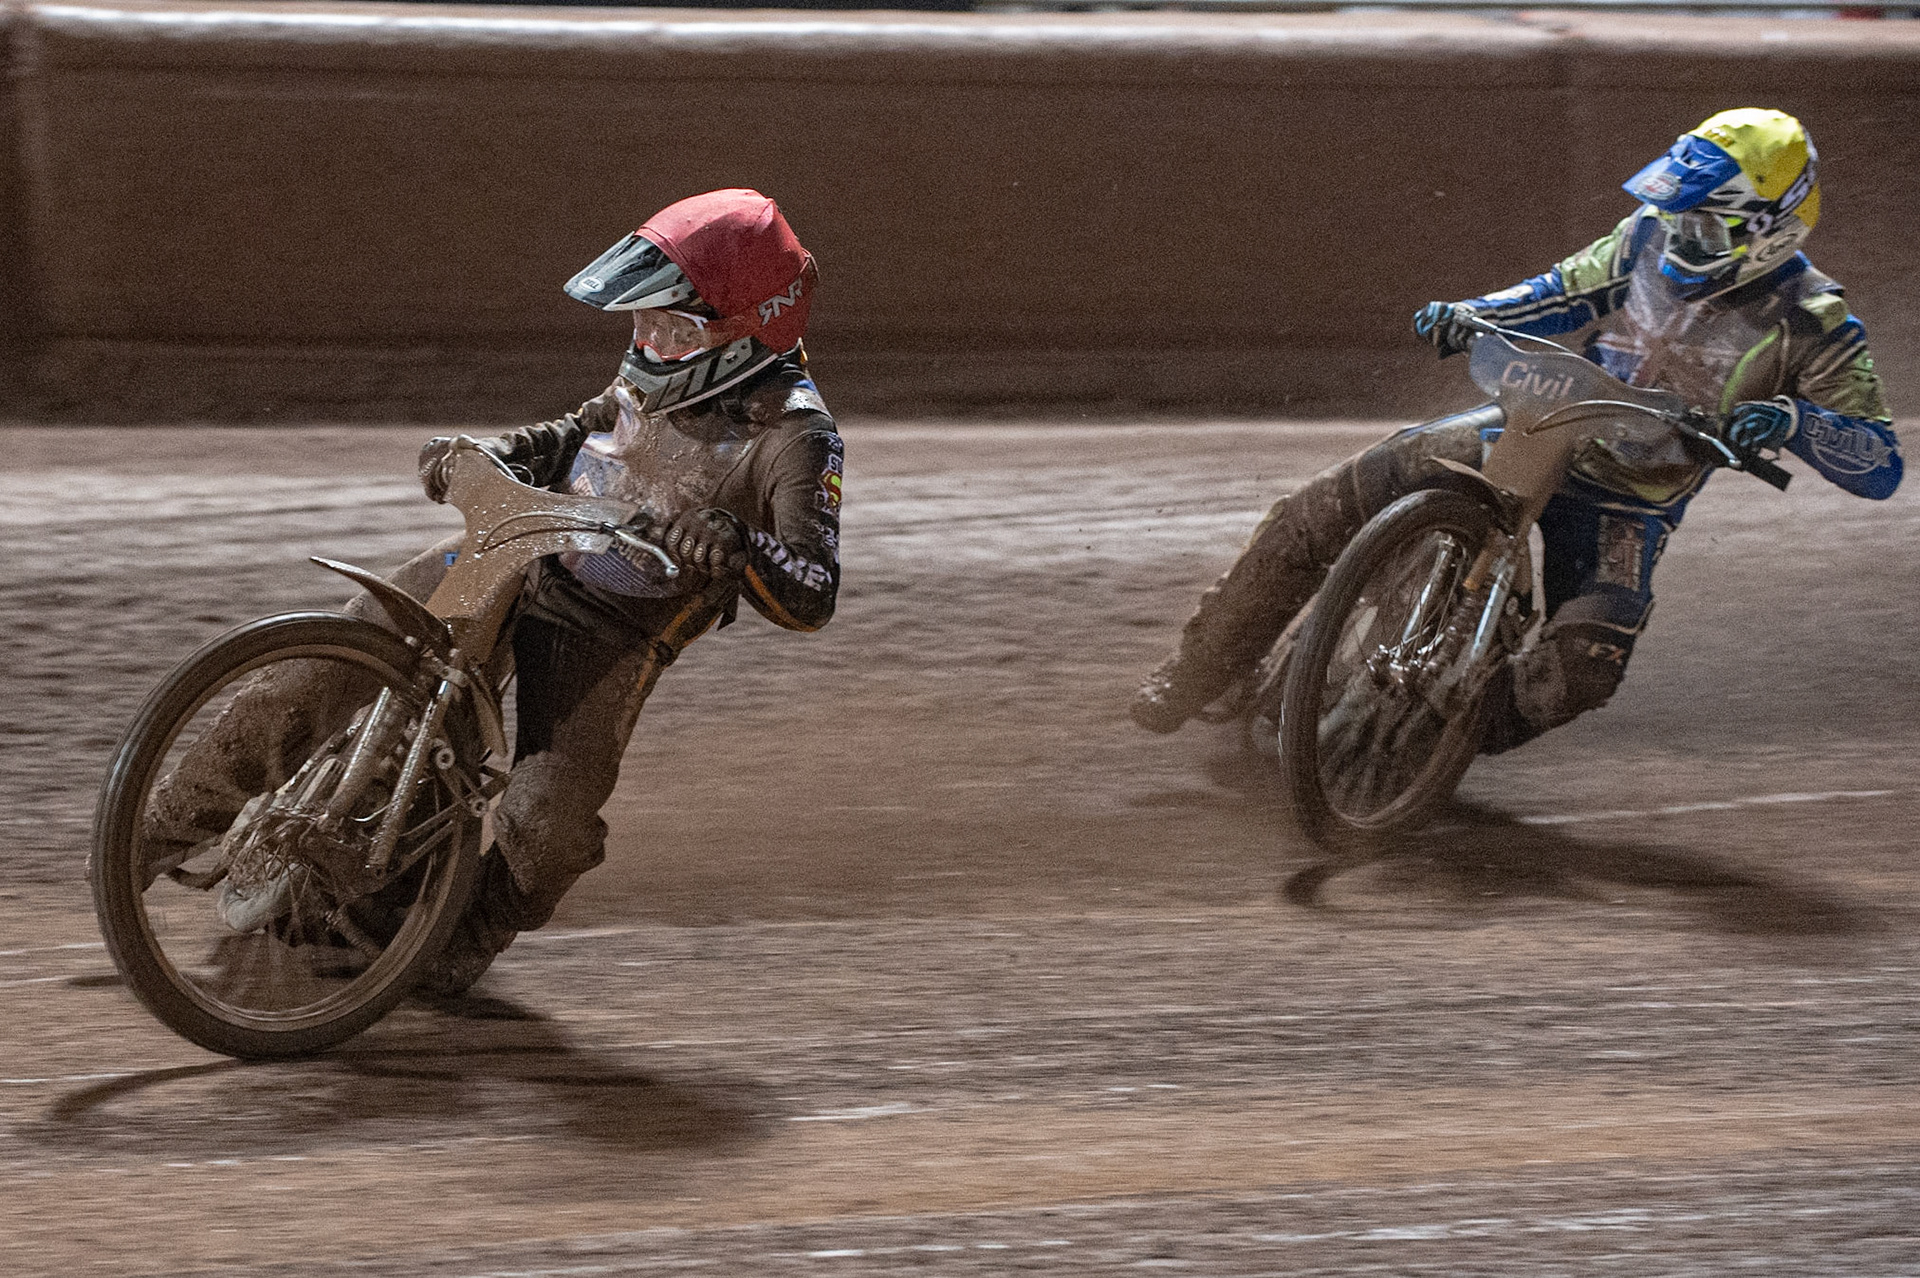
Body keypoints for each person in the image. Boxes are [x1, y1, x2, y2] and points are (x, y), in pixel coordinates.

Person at [146, 188, 843, 998]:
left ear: (749, 329)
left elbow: (814, 590)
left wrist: (735, 543)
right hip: (521, 548)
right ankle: (155, 830)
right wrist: (488, 456)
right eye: (641, 321)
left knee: (547, 828)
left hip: (612, 626)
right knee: (325, 667)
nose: (647, 341)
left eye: (671, 328)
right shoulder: (655, 380)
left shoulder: (798, 438)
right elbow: (577, 433)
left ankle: (459, 934)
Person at [1130, 108, 1902, 751]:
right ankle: (1199, 671)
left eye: (1701, 228)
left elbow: (1880, 464)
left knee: (1583, 671)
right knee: (1328, 506)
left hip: (1629, 499)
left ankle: (1425, 748)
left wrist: (1795, 419)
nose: (1677, 239)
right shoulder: (1642, 239)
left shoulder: (1818, 325)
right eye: (1675, 217)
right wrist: (1474, 314)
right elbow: (1558, 292)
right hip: (1538, 423)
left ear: (1767, 231)